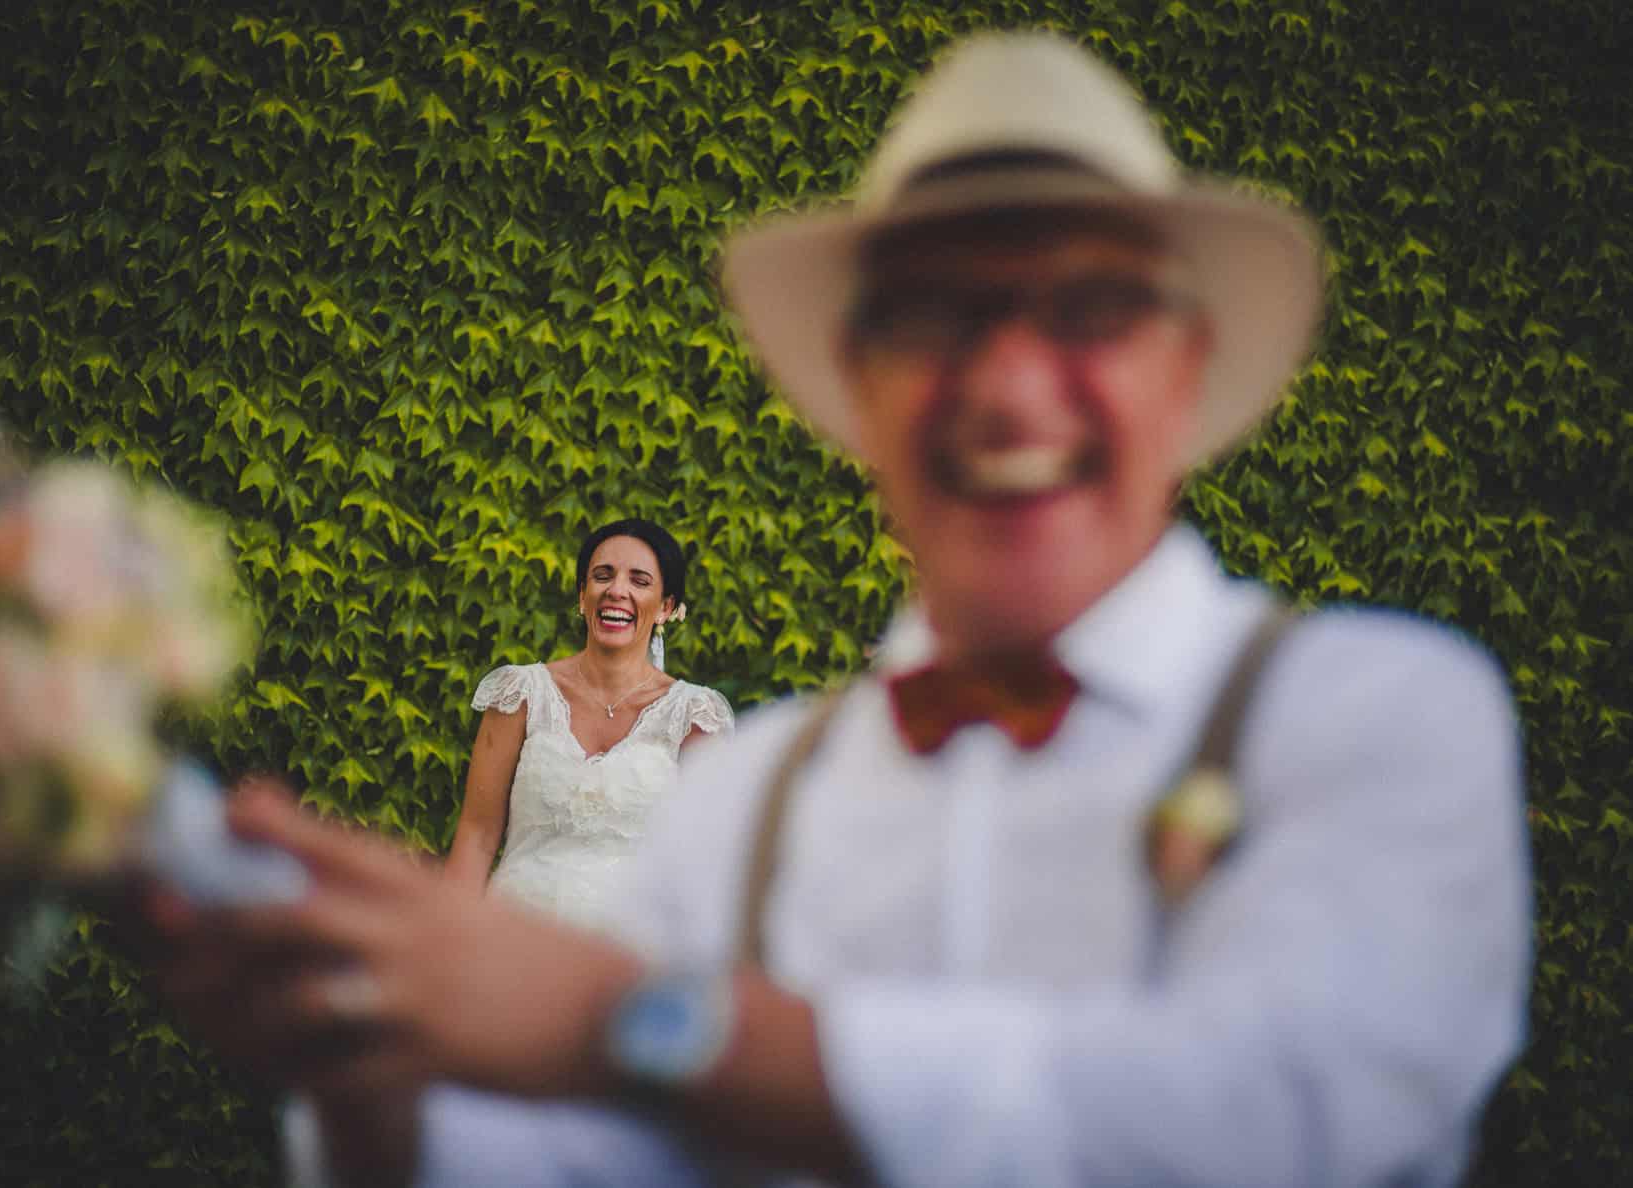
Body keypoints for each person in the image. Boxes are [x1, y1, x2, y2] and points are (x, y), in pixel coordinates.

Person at [146, 30, 1531, 1188]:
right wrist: (358, 1061)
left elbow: (1264, 1112)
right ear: (855, 388)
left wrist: (632, 1017)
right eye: (934, 314)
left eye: (1090, 308)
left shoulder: (1380, 712)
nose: (1009, 384)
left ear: (1186, 365)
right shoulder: (746, 796)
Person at [439, 518, 734, 933]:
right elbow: (477, 835)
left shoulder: (695, 716)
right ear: (583, 597)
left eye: (640, 580)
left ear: (666, 607)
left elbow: (706, 862)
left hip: (631, 955)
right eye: (602, 576)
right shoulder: (520, 694)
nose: (617, 590)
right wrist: (447, 939)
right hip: (514, 937)